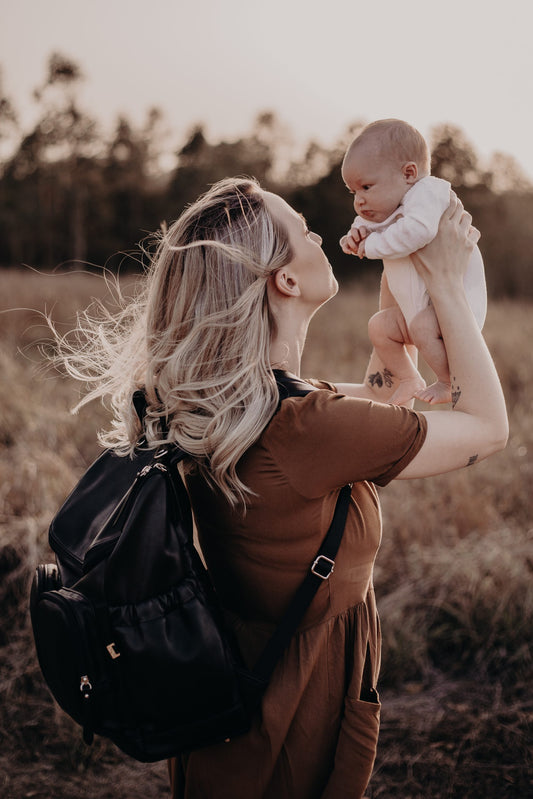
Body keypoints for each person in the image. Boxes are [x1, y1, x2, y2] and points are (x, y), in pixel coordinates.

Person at [57, 177, 507, 799]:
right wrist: (448, 284)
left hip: (236, 686)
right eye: (303, 229)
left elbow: (387, 407)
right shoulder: (303, 427)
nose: (321, 233)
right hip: (293, 704)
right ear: (285, 281)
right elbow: (487, 428)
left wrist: (393, 304)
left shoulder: (240, 404)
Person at [340, 119, 487, 405]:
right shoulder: (390, 208)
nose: (359, 201)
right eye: (353, 192)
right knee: (379, 327)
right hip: (418, 309)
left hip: (453, 307)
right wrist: (356, 235)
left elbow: (418, 231)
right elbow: (376, 225)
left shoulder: (428, 194)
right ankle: (409, 378)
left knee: (420, 329)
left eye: (366, 187)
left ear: (409, 173)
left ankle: (446, 381)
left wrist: (370, 246)